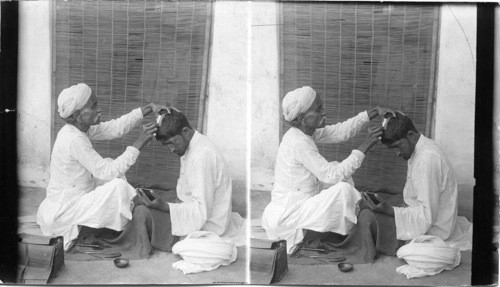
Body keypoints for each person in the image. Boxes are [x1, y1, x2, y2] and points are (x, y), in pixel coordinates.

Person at [261, 86, 394, 253]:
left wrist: (371, 113)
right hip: (290, 214)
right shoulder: (298, 142)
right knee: (343, 188)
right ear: (302, 118)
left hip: (303, 200)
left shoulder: (304, 132)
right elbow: (332, 176)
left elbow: (340, 131)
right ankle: (358, 218)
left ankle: (353, 215)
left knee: (340, 172)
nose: (324, 112)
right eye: (318, 110)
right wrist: (365, 146)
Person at [36, 83, 168, 249]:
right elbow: (108, 173)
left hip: (77, 195)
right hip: (65, 211)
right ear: (77, 115)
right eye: (93, 106)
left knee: (111, 165)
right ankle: (138, 215)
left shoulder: (78, 129)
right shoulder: (74, 139)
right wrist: (140, 142)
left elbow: (114, 128)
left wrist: (147, 109)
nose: (99, 110)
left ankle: (132, 209)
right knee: (118, 185)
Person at [98, 109, 244, 258]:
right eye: (166, 145)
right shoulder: (191, 141)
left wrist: (164, 206)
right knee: (142, 196)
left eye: (171, 143)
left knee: (141, 213)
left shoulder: (202, 156)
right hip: (192, 206)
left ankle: (126, 239)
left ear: (186, 131)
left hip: (206, 224)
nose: (171, 149)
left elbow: (202, 212)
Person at [362, 112, 472, 250]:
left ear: (411, 135)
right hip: (420, 213)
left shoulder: (427, 159)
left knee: (366, 218)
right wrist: (382, 189)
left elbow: (427, 216)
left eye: (397, 146)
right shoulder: (420, 147)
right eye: (392, 149)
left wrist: (389, 210)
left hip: (433, 229)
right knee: (374, 204)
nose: (396, 153)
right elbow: (414, 190)